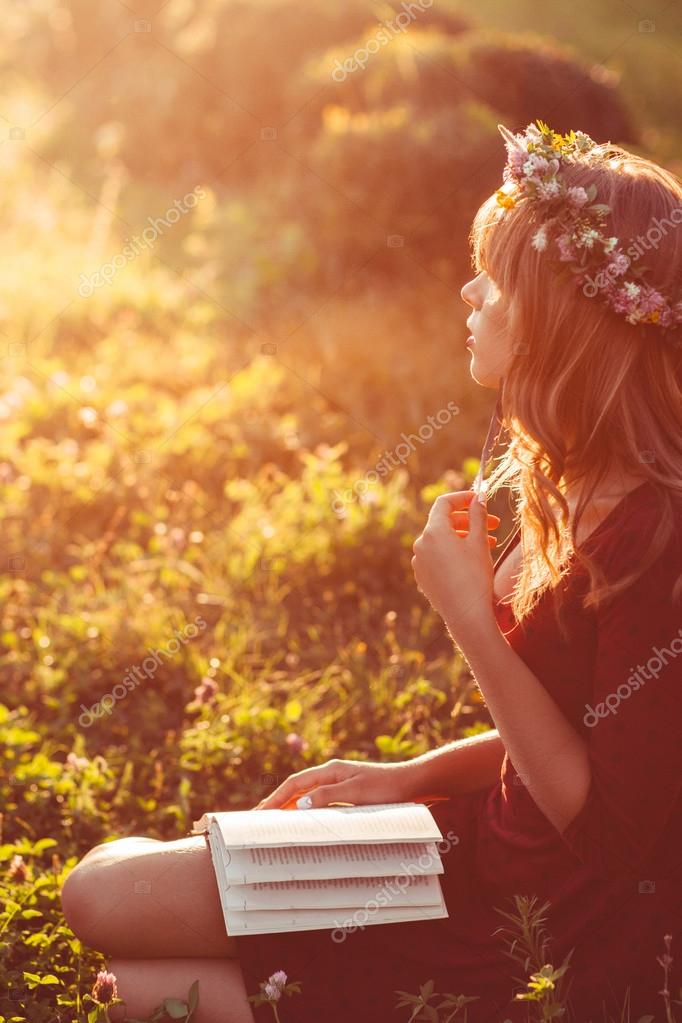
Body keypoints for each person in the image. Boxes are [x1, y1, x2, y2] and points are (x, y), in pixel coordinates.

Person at [61, 121, 682, 1022]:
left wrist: (471, 617)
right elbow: (579, 731)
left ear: (563, 321)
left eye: (497, 279)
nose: (469, 291)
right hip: (472, 846)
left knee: (138, 986)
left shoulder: (656, 537)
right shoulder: (572, 475)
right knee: (103, 892)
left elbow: (616, 830)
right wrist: (410, 773)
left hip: (536, 922)